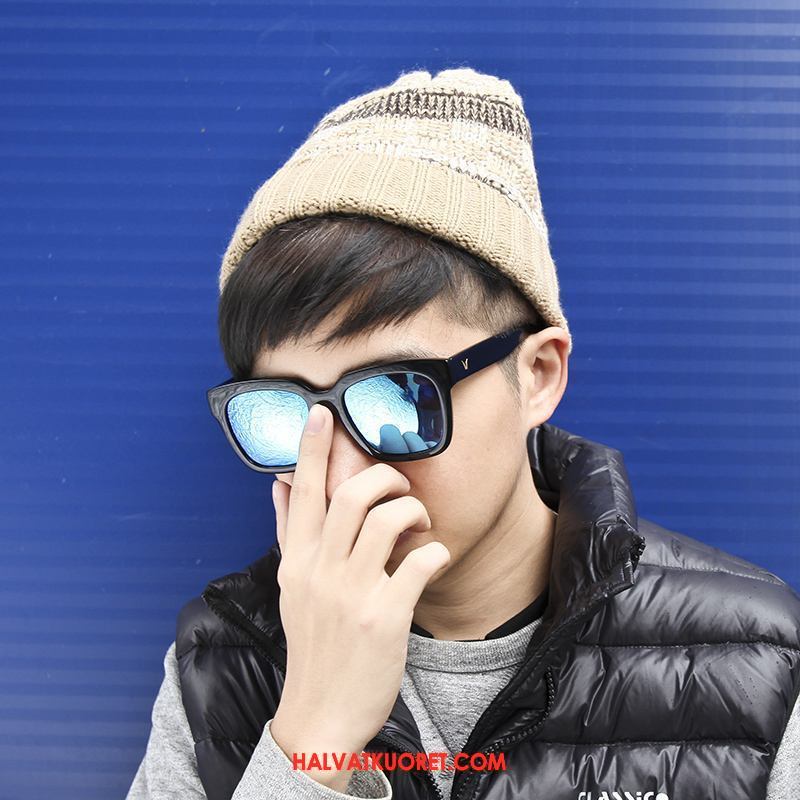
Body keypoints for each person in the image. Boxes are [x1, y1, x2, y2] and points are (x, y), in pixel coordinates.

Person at [126, 67, 800, 800]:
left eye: (398, 398)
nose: (341, 477)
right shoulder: (217, 665)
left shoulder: (759, 661)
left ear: (537, 374)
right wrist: (311, 736)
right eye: (287, 413)